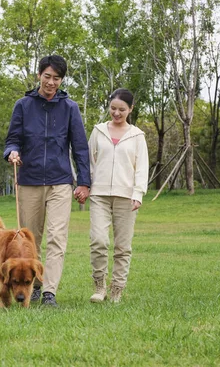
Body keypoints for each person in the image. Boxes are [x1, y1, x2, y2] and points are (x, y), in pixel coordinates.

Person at [4, 54, 91, 307]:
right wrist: (12, 152)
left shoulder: (70, 108)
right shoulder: (23, 105)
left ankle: (49, 291)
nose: (51, 83)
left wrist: (83, 182)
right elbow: (12, 139)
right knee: (31, 241)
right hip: (29, 180)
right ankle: (37, 282)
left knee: (57, 236)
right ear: (39, 75)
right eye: (47, 77)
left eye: (57, 78)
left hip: (60, 181)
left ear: (62, 80)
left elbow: (80, 148)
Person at [88, 88, 149, 303]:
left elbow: (142, 167)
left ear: (130, 109)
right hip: (100, 194)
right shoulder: (98, 131)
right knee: (98, 240)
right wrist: (87, 185)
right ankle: (99, 286)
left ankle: (117, 289)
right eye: (113, 108)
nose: (116, 113)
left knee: (123, 246)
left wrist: (138, 193)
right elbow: (89, 161)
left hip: (126, 196)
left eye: (121, 109)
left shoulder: (137, 136)